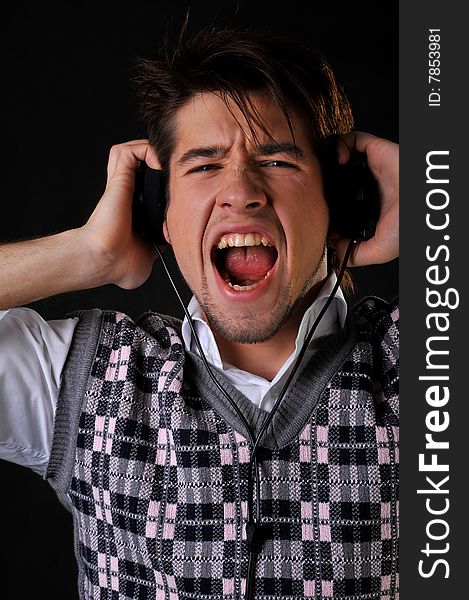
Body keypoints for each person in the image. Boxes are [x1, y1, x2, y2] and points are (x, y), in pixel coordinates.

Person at [0, 26, 399, 600]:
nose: (241, 191)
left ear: (341, 201)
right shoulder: (81, 381)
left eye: (279, 161)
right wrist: (89, 254)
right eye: (204, 165)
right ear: (161, 212)